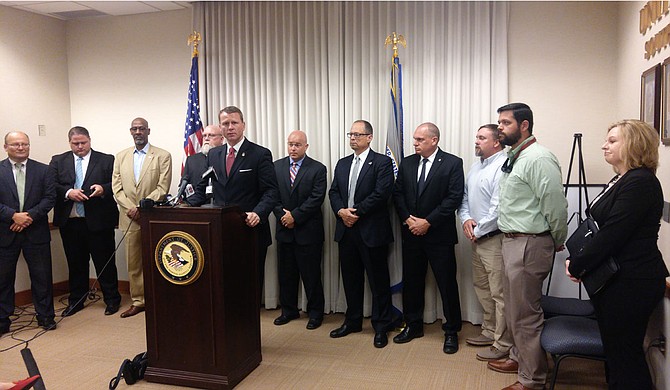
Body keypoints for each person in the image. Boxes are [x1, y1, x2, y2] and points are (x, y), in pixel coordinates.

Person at [566, 119, 668, 390]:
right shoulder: (622, 178)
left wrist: (577, 265)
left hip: (633, 281)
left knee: (626, 356)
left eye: (612, 141)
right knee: (615, 353)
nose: (604, 146)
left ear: (634, 144)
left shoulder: (641, 183)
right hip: (616, 280)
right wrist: (577, 260)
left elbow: (612, 234)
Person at [488, 103, 568, 390]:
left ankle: (532, 380)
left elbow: (555, 206)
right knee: (512, 310)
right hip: (511, 242)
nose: (500, 128)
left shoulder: (538, 158)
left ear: (524, 125)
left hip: (529, 244)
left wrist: (558, 239)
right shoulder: (514, 156)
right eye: (499, 122)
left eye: (506, 123)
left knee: (525, 314)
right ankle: (519, 357)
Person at [187, 106, 278, 296]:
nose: (230, 127)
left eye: (234, 122)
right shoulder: (213, 154)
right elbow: (202, 189)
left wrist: (258, 213)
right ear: (220, 128)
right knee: (226, 285)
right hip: (221, 231)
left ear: (243, 125)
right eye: (225, 123)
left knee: (249, 286)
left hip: (250, 229)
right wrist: (184, 207)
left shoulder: (260, 154)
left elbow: (271, 191)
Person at [392, 122, 464, 354]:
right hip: (411, 234)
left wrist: (428, 222)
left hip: (439, 235)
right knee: (412, 282)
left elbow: (453, 199)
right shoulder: (408, 163)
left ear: (434, 140)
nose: (415, 143)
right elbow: (398, 193)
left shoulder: (453, 163)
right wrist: (408, 219)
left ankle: (451, 330)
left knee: (446, 284)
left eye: (420, 140)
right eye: (414, 139)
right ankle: (413, 325)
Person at [328, 120, 394, 348]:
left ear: (369, 137)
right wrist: (340, 211)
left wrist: (354, 212)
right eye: (351, 134)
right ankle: (353, 320)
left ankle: (381, 326)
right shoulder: (343, 163)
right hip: (346, 231)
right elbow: (334, 191)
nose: (353, 138)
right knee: (351, 279)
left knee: (378, 281)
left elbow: (382, 193)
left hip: (371, 230)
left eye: (358, 134)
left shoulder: (383, 163)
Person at [49, 126, 121, 317]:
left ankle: (112, 299)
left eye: (83, 142)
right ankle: (76, 301)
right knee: (76, 264)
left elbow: (117, 183)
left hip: (99, 221)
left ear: (90, 140)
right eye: (75, 143)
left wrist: (103, 188)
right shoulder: (58, 161)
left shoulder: (106, 159)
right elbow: (50, 185)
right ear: (69, 143)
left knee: (105, 262)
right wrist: (68, 192)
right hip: (71, 222)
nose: (80, 146)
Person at [458, 124, 512, 361]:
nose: (476, 141)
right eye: (476, 137)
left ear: (496, 142)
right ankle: (489, 331)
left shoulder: (503, 166)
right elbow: (465, 198)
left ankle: (502, 343)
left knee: (499, 293)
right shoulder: (476, 165)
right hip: (477, 237)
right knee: (483, 287)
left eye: (481, 138)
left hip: (494, 238)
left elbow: (499, 208)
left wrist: (478, 230)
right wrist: (466, 219)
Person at [112, 118, 172, 318]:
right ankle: (139, 301)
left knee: (159, 260)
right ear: (130, 131)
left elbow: (162, 188)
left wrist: (142, 207)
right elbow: (116, 188)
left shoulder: (162, 156)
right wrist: (131, 208)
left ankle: (159, 299)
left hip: (153, 216)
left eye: (141, 128)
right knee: (134, 262)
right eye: (134, 129)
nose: (138, 132)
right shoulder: (121, 157)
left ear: (148, 131)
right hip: (129, 218)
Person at [0, 132, 56, 333]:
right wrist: (13, 216)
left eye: (25, 144)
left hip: (36, 232)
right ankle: (3, 320)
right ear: (6, 147)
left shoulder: (44, 170)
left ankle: (46, 316)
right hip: (6, 233)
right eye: (15, 144)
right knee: (3, 279)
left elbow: (50, 198)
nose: (21, 147)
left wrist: (27, 217)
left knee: (42, 276)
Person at [272, 130, 326, 330]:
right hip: (284, 230)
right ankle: (288, 310)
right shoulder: (276, 167)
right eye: (290, 144)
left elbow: (316, 198)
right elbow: (272, 195)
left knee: (311, 275)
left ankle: (315, 313)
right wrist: (282, 216)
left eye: (297, 145)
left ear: (306, 146)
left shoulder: (318, 169)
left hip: (308, 232)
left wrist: (295, 216)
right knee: (286, 275)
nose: (293, 148)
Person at [182, 124, 225, 192]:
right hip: (196, 201)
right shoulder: (191, 160)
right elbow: (183, 186)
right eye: (204, 136)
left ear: (221, 139)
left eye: (211, 135)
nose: (207, 138)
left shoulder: (227, 157)